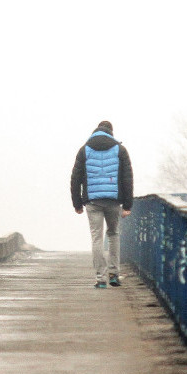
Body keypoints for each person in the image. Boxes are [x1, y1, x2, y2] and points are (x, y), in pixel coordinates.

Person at [70, 120, 133, 288]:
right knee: (113, 235)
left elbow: (75, 179)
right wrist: (128, 205)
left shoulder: (84, 150)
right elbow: (127, 178)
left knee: (96, 238)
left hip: (93, 201)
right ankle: (114, 275)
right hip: (113, 201)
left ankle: (100, 278)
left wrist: (77, 203)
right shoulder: (120, 150)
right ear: (111, 132)